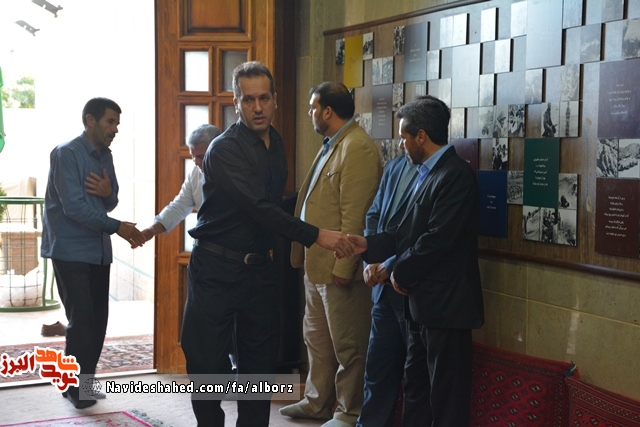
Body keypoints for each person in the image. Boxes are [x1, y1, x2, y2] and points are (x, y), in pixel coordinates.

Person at [182, 62, 353, 427]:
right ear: (236, 103)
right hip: (215, 268)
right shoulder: (223, 149)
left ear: (275, 100)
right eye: (248, 100)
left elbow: (274, 204)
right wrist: (317, 235)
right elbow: (259, 207)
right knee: (207, 364)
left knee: (259, 367)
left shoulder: (275, 143)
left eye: (264, 98)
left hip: (259, 270)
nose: (257, 107)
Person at [345, 95, 485, 427]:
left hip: (446, 309)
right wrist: (367, 246)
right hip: (420, 308)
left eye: (404, 137)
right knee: (416, 391)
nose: (401, 144)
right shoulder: (426, 173)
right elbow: (403, 232)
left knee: (446, 401)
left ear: (421, 136)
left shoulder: (456, 176)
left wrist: (395, 270)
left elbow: (436, 242)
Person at [280, 82, 381, 427]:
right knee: (317, 340)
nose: (310, 113)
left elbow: (356, 216)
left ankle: (349, 411)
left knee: (348, 346)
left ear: (327, 111)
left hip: (339, 268)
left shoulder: (357, 147)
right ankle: (316, 402)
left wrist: (344, 266)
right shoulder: (333, 143)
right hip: (316, 262)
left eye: (313, 108)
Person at [41, 97, 146, 409]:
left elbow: (109, 201)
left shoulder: (106, 156)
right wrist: (117, 227)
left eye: (117, 123)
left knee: (98, 322)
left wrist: (107, 192)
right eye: (110, 122)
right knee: (83, 320)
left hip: (98, 251)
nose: (115, 129)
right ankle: (77, 390)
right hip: (70, 250)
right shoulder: (66, 154)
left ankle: (80, 384)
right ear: (90, 121)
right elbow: (73, 207)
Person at [356, 152, 421, 427]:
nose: (401, 143)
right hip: (381, 289)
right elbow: (374, 215)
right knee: (377, 370)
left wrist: (391, 264)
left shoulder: (436, 174)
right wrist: (370, 261)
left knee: (415, 376)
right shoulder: (395, 166)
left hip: (410, 287)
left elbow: (422, 232)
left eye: (405, 136)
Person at [138, 124, 221, 242]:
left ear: (218, 150)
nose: (196, 162)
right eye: (193, 156)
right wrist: (151, 230)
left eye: (201, 157)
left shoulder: (236, 172)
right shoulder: (195, 174)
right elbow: (179, 207)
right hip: (206, 243)